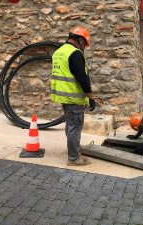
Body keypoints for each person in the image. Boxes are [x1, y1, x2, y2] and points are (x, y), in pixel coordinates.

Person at [51, 26, 96, 166]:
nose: (84, 47)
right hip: (74, 98)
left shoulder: (59, 52)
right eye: (85, 44)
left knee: (70, 126)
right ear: (81, 40)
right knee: (75, 127)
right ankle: (74, 158)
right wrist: (91, 97)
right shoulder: (75, 53)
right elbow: (82, 78)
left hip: (63, 97)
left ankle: (73, 150)